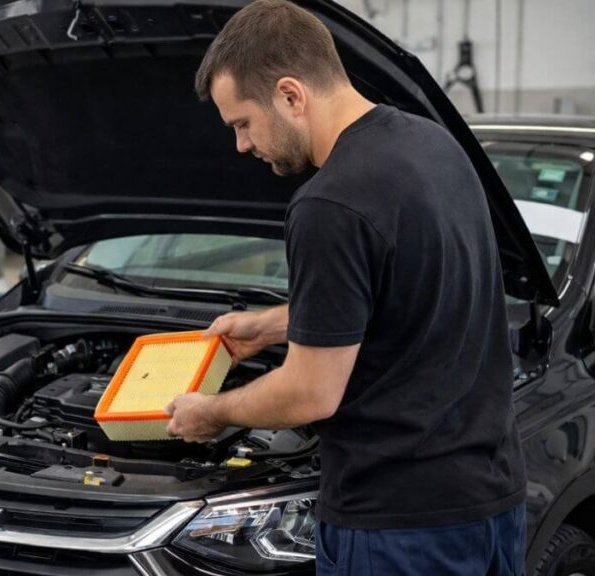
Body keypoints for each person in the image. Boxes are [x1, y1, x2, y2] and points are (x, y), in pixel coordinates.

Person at [164, 1, 526, 574]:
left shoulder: (330, 204)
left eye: (241, 123)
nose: (240, 145)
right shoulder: (434, 145)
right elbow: (413, 290)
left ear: (290, 95)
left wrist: (213, 412)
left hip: (397, 529)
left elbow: (310, 394)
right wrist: (274, 322)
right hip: (491, 502)